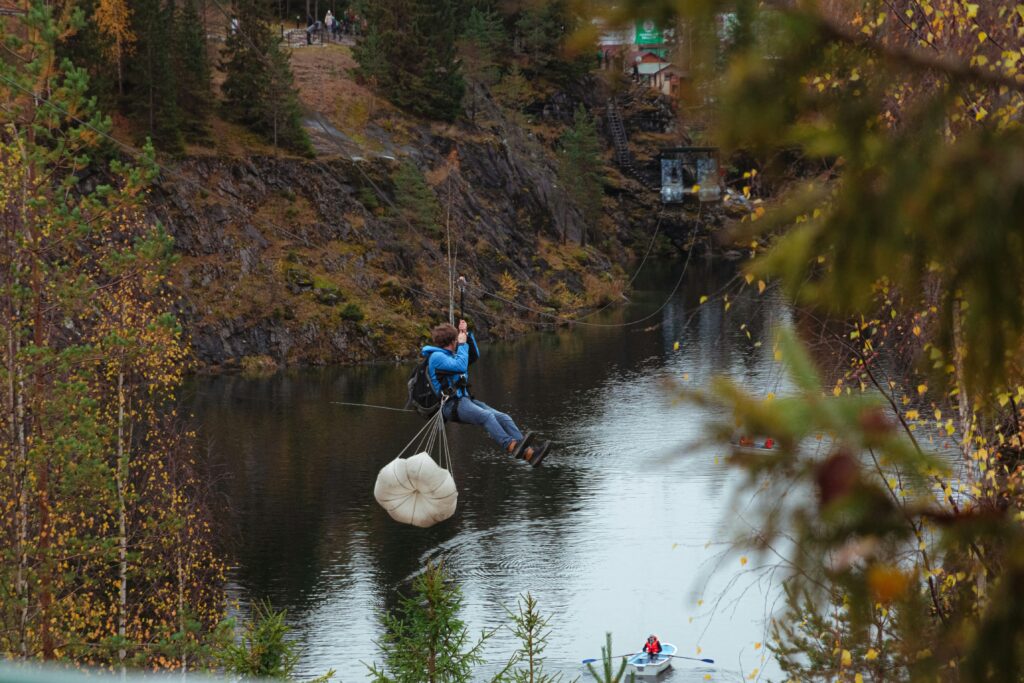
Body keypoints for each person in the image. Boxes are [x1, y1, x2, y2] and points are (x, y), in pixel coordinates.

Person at [421, 320, 550, 466]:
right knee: (487, 417)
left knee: (503, 418)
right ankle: (511, 445)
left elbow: (474, 356)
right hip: (451, 406)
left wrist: (467, 335)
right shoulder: (437, 357)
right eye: (456, 339)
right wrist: (462, 345)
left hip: (464, 400)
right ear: (453, 341)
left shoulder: (452, 354)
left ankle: (529, 453)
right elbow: (461, 366)